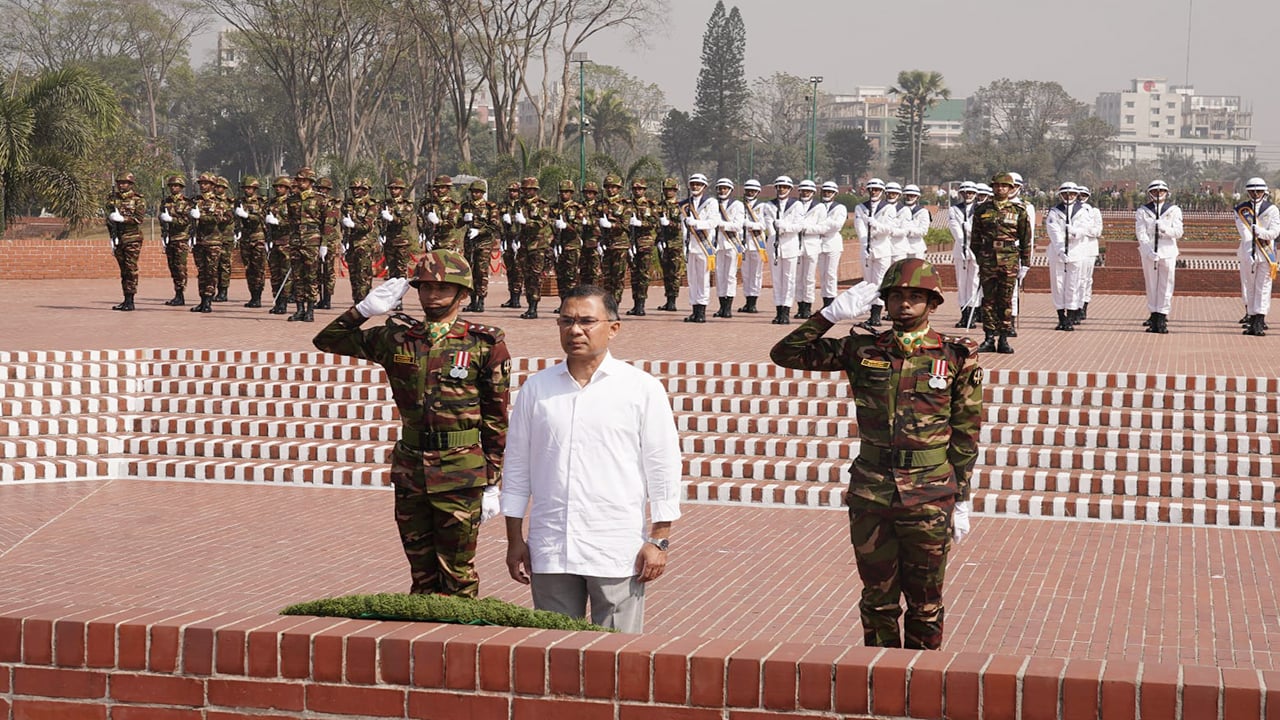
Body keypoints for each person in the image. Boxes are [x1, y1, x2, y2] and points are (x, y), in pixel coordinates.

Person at [770, 258, 981, 650]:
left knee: (926, 603)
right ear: (884, 300)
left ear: (932, 303)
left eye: (915, 297)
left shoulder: (955, 355)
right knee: (877, 601)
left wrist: (962, 498)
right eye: (897, 295)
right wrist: (828, 314)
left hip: (930, 494)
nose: (905, 304)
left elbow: (967, 433)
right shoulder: (861, 347)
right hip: (872, 492)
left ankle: (921, 686)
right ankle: (880, 682)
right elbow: (786, 353)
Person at [313, 250, 509, 596]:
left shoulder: (483, 344)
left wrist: (493, 482)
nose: (433, 295)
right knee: (421, 573)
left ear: (463, 295)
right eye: (425, 287)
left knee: (458, 573)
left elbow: (497, 418)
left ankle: (457, 643)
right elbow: (327, 340)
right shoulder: (397, 338)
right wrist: (363, 310)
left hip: (460, 470)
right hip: (411, 466)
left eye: (443, 288)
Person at [502, 285, 681, 632]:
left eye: (587, 321)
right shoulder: (537, 389)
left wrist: (658, 540)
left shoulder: (640, 389)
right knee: (554, 651)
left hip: (615, 547)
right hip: (551, 546)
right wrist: (514, 540)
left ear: (613, 328)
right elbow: (517, 468)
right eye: (566, 321)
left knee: (618, 659)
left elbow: (663, 467)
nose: (575, 330)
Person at [971, 173, 1031, 354]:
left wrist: (1025, 262)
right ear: (992, 187)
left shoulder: (1018, 210)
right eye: (997, 186)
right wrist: (981, 258)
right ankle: (989, 337)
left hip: (1009, 259)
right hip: (988, 259)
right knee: (988, 300)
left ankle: (1004, 338)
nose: (1000, 189)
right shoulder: (982, 210)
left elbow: (1025, 238)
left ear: (1011, 189)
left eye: (1004, 186)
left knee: (1005, 299)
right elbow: (975, 239)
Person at [1135, 180, 1183, 334]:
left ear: (1166, 193)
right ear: (1150, 193)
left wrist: (1163, 229)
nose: (1158, 193)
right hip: (1149, 252)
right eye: (1155, 191)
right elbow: (1141, 233)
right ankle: (1153, 316)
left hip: (1167, 250)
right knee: (1151, 285)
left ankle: (1162, 317)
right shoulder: (1143, 211)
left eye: (1161, 191)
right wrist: (1148, 250)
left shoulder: (1174, 210)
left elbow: (1178, 232)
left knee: (1166, 285)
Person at [1234, 177, 1280, 336]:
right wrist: (1250, 251)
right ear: (1248, 192)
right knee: (1250, 287)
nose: (1255, 194)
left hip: (1267, 254)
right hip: (1249, 253)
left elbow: (1275, 232)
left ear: (1264, 192)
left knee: (1264, 287)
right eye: (1252, 191)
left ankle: (1260, 319)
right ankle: (1252, 319)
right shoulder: (1241, 209)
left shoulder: (1272, 209)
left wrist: (1261, 232)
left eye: (1258, 191)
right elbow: (1244, 233)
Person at [853, 178, 897, 329]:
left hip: (882, 249)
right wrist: (866, 242)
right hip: (867, 248)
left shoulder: (889, 208)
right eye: (872, 190)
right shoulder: (861, 207)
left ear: (882, 192)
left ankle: (876, 315)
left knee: (879, 282)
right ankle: (871, 313)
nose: (874, 192)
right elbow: (860, 228)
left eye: (877, 190)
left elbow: (889, 229)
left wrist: (875, 225)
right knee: (868, 282)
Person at [1044, 182, 1084, 331]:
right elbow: (1053, 232)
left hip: (1076, 251)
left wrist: (1074, 232)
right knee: (1058, 285)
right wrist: (1061, 249)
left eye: (1072, 194)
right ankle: (1061, 317)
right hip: (1057, 252)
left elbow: (1085, 228)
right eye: (1066, 194)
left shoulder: (1082, 210)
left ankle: (1071, 317)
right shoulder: (1054, 211)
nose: (1069, 196)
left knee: (1073, 285)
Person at [286, 167, 324, 322]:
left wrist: (325, 244)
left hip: (312, 241)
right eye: (299, 180)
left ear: (310, 182)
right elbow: (290, 221)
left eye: (304, 180)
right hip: (296, 240)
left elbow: (327, 224)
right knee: (297, 276)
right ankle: (299, 309)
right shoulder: (292, 200)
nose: (300, 182)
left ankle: (310, 310)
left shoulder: (321, 200)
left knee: (311, 276)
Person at [105, 172, 147, 311]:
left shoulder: (138, 200)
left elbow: (138, 219)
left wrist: (123, 219)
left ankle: (131, 299)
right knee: (123, 270)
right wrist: (112, 235)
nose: (121, 185)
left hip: (132, 238)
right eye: (119, 183)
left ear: (130, 184)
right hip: (119, 238)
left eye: (124, 183)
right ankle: (126, 298)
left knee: (130, 269)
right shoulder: (112, 199)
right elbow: (108, 219)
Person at [188, 172, 228, 314]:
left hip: (213, 241)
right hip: (199, 241)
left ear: (212, 185)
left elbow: (220, 219)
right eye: (201, 183)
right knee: (202, 272)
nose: (203, 186)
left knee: (211, 272)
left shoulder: (218, 202)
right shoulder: (194, 201)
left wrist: (202, 217)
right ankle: (202, 300)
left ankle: (208, 301)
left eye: (205, 183)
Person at [460, 180, 501, 313]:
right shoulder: (466, 205)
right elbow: (457, 223)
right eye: (473, 192)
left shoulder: (490, 207)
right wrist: (463, 219)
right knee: (470, 271)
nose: (475, 194)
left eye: (478, 192)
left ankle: (481, 300)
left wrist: (480, 231)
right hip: (470, 243)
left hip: (484, 243)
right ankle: (472, 301)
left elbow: (494, 225)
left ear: (483, 193)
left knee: (481, 272)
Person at [680, 173, 716, 323]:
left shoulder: (711, 202)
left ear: (704, 187)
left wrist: (696, 223)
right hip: (690, 246)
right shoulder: (684, 204)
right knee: (692, 279)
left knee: (703, 279)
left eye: (698, 184)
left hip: (704, 245)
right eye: (693, 184)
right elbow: (683, 228)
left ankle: (702, 311)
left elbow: (714, 222)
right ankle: (694, 310)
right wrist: (684, 245)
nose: (695, 187)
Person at [792, 179, 827, 319]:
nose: (805, 193)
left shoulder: (819, 207)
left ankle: (808, 306)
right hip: (796, 245)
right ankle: (799, 305)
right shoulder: (795, 205)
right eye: (803, 191)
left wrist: (805, 228)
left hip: (812, 245)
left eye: (808, 191)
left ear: (813, 192)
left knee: (809, 278)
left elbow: (823, 228)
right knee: (798, 278)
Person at [342, 177, 381, 303]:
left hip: (364, 243)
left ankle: (363, 301)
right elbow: (344, 225)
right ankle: (356, 301)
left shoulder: (371, 205)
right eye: (353, 189)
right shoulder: (347, 204)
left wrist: (353, 225)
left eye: (359, 189)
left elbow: (367, 226)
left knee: (363, 274)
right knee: (353, 274)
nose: (355, 191)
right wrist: (345, 240)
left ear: (366, 190)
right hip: (351, 243)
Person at [710, 178, 744, 318]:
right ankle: (721, 306)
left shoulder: (737, 205)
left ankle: (728, 307)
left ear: (730, 190)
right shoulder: (712, 204)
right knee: (719, 276)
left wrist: (722, 224)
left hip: (731, 244)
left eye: (725, 188)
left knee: (730, 276)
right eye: (720, 188)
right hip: (717, 244)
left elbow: (738, 225)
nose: (722, 190)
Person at [947, 181, 980, 328]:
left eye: (971, 193)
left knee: (973, 283)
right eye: (965, 193)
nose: (968, 195)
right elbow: (955, 228)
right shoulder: (954, 209)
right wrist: (962, 243)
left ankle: (972, 316)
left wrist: (970, 230)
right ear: (961, 194)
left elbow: (982, 230)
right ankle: (964, 315)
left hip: (976, 250)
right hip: (960, 250)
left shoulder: (980, 209)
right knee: (962, 283)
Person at [625, 179, 659, 316]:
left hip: (645, 243)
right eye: (635, 189)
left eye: (640, 189)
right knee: (634, 275)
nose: (637, 191)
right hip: (631, 243)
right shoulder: (627, 205)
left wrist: (640, 223)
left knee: (643, 274)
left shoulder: (651, 205)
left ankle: (641, 304)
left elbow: (654, 222)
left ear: (644, 190)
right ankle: (635, 303)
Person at [157, 175, 193, 307]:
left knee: (180, 267)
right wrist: (163, 235)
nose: (173, 188)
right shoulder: (165, 202)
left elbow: (186, 221)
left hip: (181, 239)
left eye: (176, 186)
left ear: (181, 188)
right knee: (172, 267)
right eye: (171, 186)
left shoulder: (186, 202)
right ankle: (177, 294)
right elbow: (161, 220)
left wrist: (171, 219)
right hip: (170, 239)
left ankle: (180, 295)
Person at [234, 177, 269, 308]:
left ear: (255, 189)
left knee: (258, 269)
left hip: (257, 238)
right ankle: (252, 296)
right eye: (245, 188)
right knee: (249, 269)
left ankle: (258, 296)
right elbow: (235, 219)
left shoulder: (261, 202)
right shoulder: (239, 201)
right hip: (245, 238)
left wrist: (247, 216)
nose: (247, 190)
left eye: (249, 188)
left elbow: (262, 217)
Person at [738, 179, 769, 313]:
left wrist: (748, 224)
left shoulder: (763, 207)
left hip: (757, 244)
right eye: (748, 190)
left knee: (756, 274)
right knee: (745, 274)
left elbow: (764, 225)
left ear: (757, 192)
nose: (750, 193)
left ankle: (753, 302)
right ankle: (747, 300)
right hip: (743, 244)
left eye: (753, 190)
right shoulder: (740, 205)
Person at [265, 176, 294, 314]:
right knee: (275, 274)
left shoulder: (291, 203)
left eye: (281, 187)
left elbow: (294, 223)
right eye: (276, 187)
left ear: (287, 189)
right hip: (274, 242)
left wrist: (278, 222)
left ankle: (284, 303)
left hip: (286, 242)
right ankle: (277, 301)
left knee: (285, 275)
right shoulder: (271, 203)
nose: (278, 189)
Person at [656, 178, 686, 312]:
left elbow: (682, 226)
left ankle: (673, 300)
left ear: (675, 191)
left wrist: (669, 224)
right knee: (666, 272)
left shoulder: (680, 207)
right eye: (666, 190)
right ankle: (667, 299)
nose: (669, 192)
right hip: (663, 243)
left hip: (675, 243)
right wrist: (658, 240)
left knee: (674, 273)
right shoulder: (659, 206)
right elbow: (654, 224)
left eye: (671, 190)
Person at [1074, 186, 1102, 322]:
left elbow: (1097, 231)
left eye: (1084, 195)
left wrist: (1083, 230)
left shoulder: (1093, 211)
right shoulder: (1072, 210)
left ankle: (1084, 305)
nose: (1081, 197)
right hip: (1076, 248)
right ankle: (1075, 306)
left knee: (1086, 279)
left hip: (1089, 249)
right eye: (1079, 195)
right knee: (1076, 279)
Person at [499, 181, 525, 309]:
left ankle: (517, 298)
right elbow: (497, 220)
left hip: (520, 239)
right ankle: (512, 296)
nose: (512, 193)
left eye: (514, 191)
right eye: (510, 191)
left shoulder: (523, 205)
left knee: (518, 270)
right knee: (510, 269)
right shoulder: (504, 205)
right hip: (507, 239)